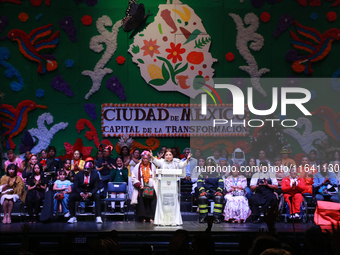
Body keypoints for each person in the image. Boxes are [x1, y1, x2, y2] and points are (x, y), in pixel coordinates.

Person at [149, 148, 190, 225]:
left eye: (170, 155)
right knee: (163, 202)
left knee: (173, 203)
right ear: (164, 155)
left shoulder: (176, 162)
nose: (168, 156)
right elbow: (156, 162)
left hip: (173, 185)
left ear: (172, 155)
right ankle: (162, 221)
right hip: (163, 185)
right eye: (166, 155)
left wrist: (187, 159)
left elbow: (182, 165)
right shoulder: (162, 162)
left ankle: (173, 220)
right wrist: (152, 157)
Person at [68, 157, 103, 224]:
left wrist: (90, 194)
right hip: (81, 192)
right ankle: (72, 217)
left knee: (97, 196)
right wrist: (81, 193)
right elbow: (75, 187)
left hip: (90, 192)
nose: (86, 170)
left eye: (87, 169)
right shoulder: (78, 175)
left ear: (91, 169)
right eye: (85, 168)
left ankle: (98, 216)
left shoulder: (95, 175)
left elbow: (96, 187)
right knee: (72, 196)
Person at [131, 151, 157, 223]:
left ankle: (151, 217)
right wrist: (139, 184)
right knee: (142, 204)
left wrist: (155, 184)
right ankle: (143, 217)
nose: (145, 160)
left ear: (149, 159)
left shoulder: (152, 166)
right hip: (142, 188)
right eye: (144, 158)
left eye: (147, 159)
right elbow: (133, 177)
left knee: (151, 203)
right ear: (142, 159)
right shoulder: (138, 166)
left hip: (151, 188)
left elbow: (156, 176)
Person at [197, 158, 224, 224]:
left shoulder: (218, 175)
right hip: (205, 192)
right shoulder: (201, 175)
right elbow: (199, 183)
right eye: (208, 166)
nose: (209, 167)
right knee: (202, 198)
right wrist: (202, 191)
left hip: (215, 192)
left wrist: (219, 191)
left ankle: (216, 218)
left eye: (211, 166)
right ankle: (203, 217)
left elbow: (221, 183)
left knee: (219, 198)